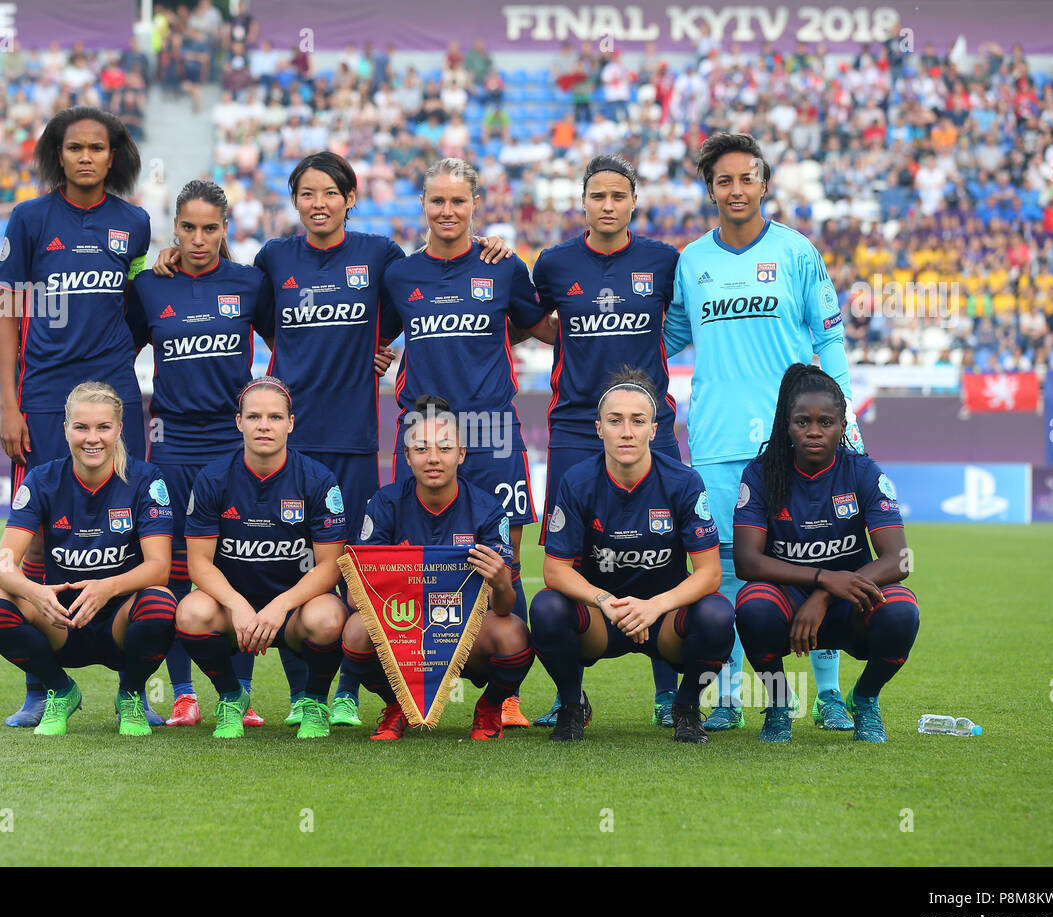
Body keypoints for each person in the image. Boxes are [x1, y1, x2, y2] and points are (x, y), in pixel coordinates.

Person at [153, 151, 513, 729]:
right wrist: (170, 257)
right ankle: (241, 692)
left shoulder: (380, 256)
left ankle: (340, 690)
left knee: (348, 569)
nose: (318, 203)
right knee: (253, 554)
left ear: (350, 198)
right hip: (287, 437)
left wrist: (368, 347)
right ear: (294, 201)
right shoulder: (273, 260)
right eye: (306, 193)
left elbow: (412, 308)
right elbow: (249, 310)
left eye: (330, 192)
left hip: (352, 439)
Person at [663, 131, 863, 732]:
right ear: (710, 191)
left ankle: (826, 693)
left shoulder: (798, 253)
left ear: (764, 183)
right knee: (722, 566)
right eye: (724, 180)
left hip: (795, 438)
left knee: (818, 553)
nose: (737, 189)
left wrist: (843, 411)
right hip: (719, 438)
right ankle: (725, 695)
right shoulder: (692, 261)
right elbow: (667, 339)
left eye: (747, 177)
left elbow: (828, 336)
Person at [0, 106, 158, 728]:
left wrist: (116, 351)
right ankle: (44, 684)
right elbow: (6, 315)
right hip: (42, 395)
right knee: (37, 532)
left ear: (114, 156)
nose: (86, 157)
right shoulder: (30, 220)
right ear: (56, 155)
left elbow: (143, 305)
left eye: (97, 147)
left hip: (115, 389)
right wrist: (11, 403)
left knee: (133, 522)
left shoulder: (134, 225)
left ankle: (133, 681)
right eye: (74, 147)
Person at [126, 178, 286, 729]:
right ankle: (183, 693)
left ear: (225, 230)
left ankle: (238, 694)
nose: (199, 239)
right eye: (188, 228)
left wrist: (373, 356)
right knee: (170, 575)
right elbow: (115, 348)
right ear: (175, 230)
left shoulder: (249, 283)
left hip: (229, 445)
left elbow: (290, 344)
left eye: (210, 229)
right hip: (171, 448)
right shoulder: (149, 286)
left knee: (232, 570)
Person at [530, 153, 683, 729]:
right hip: (575, 427)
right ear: (584, 201)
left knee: (665, 551)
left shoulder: (663, 261)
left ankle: (668, 690)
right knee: (569, 556)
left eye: (619, 196)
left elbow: (687, 320)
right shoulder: (555, 263)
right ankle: (569, 692)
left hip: (652, 427)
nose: (608, 205)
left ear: (633, 200)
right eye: (598, 196)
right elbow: (529, 320)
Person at [380, 158, 548, 633]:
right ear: (423, 205)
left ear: (475, 204)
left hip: (492, 428)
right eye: (437, 200)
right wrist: (376, 355)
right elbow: (377, 335)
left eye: (458, 201)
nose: (447, 210)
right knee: (409, 562)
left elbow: (540, 327)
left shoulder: (503, 266)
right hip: (422, 431)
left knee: (504, 564)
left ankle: (506, 693)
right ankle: (410, 689)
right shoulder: (401, 274)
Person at [530, 368, 733, 742]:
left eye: (638, 421)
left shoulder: (684, 482)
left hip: (664, 617)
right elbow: (555, 571)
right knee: (546, 608)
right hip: (600, 618)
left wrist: (655, 606)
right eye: (615, 421)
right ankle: (572, 705)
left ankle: (687, 707)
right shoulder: (576, 481)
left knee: (718, 613)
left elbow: (709, 574)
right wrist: (604, 600)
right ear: (598, 428)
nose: (626, 431)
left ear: (653, 430)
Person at [0, 382, 177, 736]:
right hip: (61, 621)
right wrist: (36, 592)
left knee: (161, 603)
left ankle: (130, 694)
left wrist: (106, 587)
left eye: (103, 427)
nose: (92, 438)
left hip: (121, 622)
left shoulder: (146, 480)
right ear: (66, 428)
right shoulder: (42, 480)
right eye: (81, 427)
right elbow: (1, 566)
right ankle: (59, 689)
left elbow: (159, 568)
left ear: (119, 428)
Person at [733, 365, 918, 742]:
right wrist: (820, 578)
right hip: (787, 603)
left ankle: (865, 698)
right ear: (787, 424)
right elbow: (747, 562)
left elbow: (899, 560)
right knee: (752, 606)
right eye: (803, 421)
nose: (814, 431)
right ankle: (780, 703)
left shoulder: (863, 472)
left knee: (901, 610)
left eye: (826, 422)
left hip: (852, 599)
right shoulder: (762, 474)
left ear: (842, 424)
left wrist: (825, 591)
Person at [341, 395, 533, 741]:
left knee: (513, 635)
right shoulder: (385, 504)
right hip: (404, 624)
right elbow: (357, 599)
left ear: (460, 454)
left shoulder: (487, 509)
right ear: (408, 455)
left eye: (444, 448)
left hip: (462, 629)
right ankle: (397, 703)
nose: (433, 458)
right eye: (422, 448)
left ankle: (490, 706)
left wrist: (502, 580)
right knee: (356, 631)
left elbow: (503, 606)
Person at [175, 377, 350, 739]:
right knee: (190, 612)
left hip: (294, 611)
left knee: (331, 618)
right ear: (239, 422)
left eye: (274, 417)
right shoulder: (213, 479)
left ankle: (315, 702)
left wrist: (281, 605)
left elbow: (331, 566)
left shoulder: (317, 480)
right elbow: (200, 564)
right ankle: (230, 697)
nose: (264, 426)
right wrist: (237, 604)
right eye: (254, 417)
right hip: (233, 611)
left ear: (290, 422)